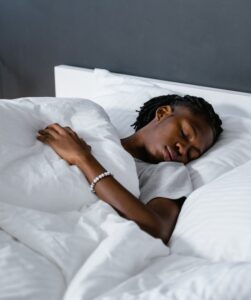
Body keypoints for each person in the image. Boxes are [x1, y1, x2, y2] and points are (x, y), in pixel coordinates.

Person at [37, 94, 222, 244]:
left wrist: (83, 159)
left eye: (192, 154)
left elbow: (158, 229)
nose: (183, 150)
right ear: (163, 113)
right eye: (184, 133)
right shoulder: (100, 132)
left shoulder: (167, 172)